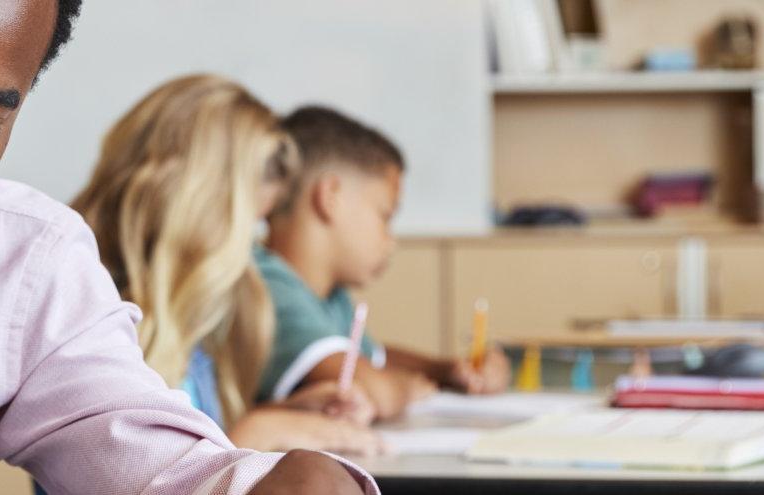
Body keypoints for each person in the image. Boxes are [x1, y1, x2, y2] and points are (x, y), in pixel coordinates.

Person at [71, 74, 384, 456]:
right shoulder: (95, 325)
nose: (252, 249)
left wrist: (282, 415)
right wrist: (256, 434)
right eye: (248, 224)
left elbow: (180, 444)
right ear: (199, 205)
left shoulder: (186, 327)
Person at [256, 106, 512, 419]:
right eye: (385, 215)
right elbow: (372, 389)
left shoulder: (327, 296)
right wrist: (405, 388)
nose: (390, 241)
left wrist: (449, 370)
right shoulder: (267, 284)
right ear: (330, 196)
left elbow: (371, 359)